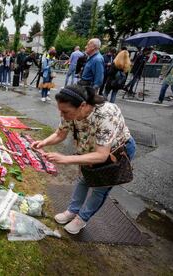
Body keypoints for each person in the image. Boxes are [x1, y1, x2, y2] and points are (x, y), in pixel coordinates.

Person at [32, 84, 136, 234]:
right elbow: (60, 134)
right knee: (83, 180)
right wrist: (44, 142)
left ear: (82, 105)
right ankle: (72, 211)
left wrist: (66, 159)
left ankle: (82, 219)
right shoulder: (70, 112)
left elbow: (102, 155)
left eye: (65, 112)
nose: (62, 115)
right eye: (60, 111)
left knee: (100, 189)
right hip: (91, 151)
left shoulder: (105, 114)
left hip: (115, 153)